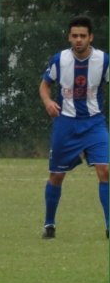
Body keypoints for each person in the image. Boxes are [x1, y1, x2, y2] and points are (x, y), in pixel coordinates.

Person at [39, 15, 109, 240]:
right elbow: (45, 85)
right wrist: (48, 102)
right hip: (66, 124)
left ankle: (109, 226)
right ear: (69, 37)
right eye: (75, 36)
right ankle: (49, 224)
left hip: (94, 123)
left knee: (105, 170)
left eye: (83, 36)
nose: (79, 40)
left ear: (91, 37)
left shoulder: (103, 60)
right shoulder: (59, 59)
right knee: (57, 175)